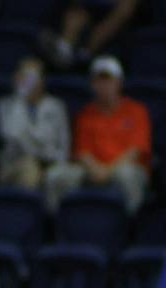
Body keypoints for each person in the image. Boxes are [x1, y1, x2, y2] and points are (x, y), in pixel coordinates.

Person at [45, 57, 153, 213]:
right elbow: (82, 152)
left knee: (127, 175)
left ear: (119, 83)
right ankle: (57, 221)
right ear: (92, 84)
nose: (104, 86)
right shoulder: (85, 114)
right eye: (99, 81)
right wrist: (95, 169)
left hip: (122, 167)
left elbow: (135, 151)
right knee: (55, 176)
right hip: (92, 169)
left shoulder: (136, 110)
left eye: (109, 80)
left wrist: (108, 170)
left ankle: (131, 222)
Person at [0, 56, 70, 191]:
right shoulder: (7, 105)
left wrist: (52, 163)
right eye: (24, 76)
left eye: (33, 77)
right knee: (29, 167)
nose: (29, 82)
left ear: (42, 80)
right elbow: (11, 135)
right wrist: (20, 96)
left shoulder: (56, 106)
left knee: (60, 176)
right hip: (15, 163)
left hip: (50, 163)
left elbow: (63, 144)